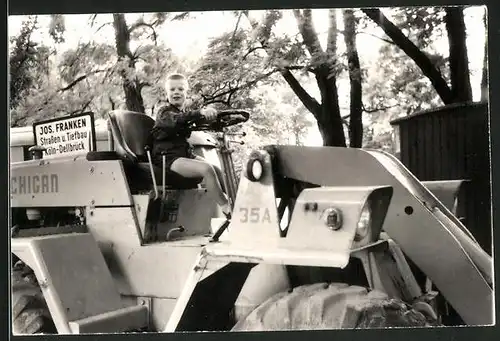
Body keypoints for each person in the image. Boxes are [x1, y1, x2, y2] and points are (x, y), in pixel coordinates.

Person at [149, 73, 231, 217]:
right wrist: (200, 112)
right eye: (172, 89)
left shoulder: (183, 113)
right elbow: (178, 120)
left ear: (186, 93)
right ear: (166, 93)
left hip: (183, 154)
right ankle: (227, 208)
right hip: (167, 158)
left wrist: (211, 119)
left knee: (217, 170)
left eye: (180, 89)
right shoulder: (164, 112)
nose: (176, 92)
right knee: (206, 169)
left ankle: (235, 201)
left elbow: (189, 120)